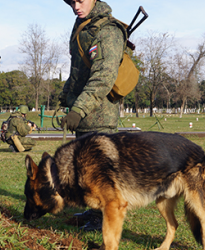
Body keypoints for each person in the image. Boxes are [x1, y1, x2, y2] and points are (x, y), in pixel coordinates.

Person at [59, 0, 125, 231]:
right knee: (85, 170)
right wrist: (64, 97)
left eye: (81, 0)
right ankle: (94, 210)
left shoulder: (108, 30)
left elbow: (103, 77)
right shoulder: (83, 26)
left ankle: (104, 218)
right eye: (72, 1)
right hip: (83, 111)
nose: (76, 6)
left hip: (100, 112)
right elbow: (76, 71)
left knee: (100, 172)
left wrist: (78, 109)